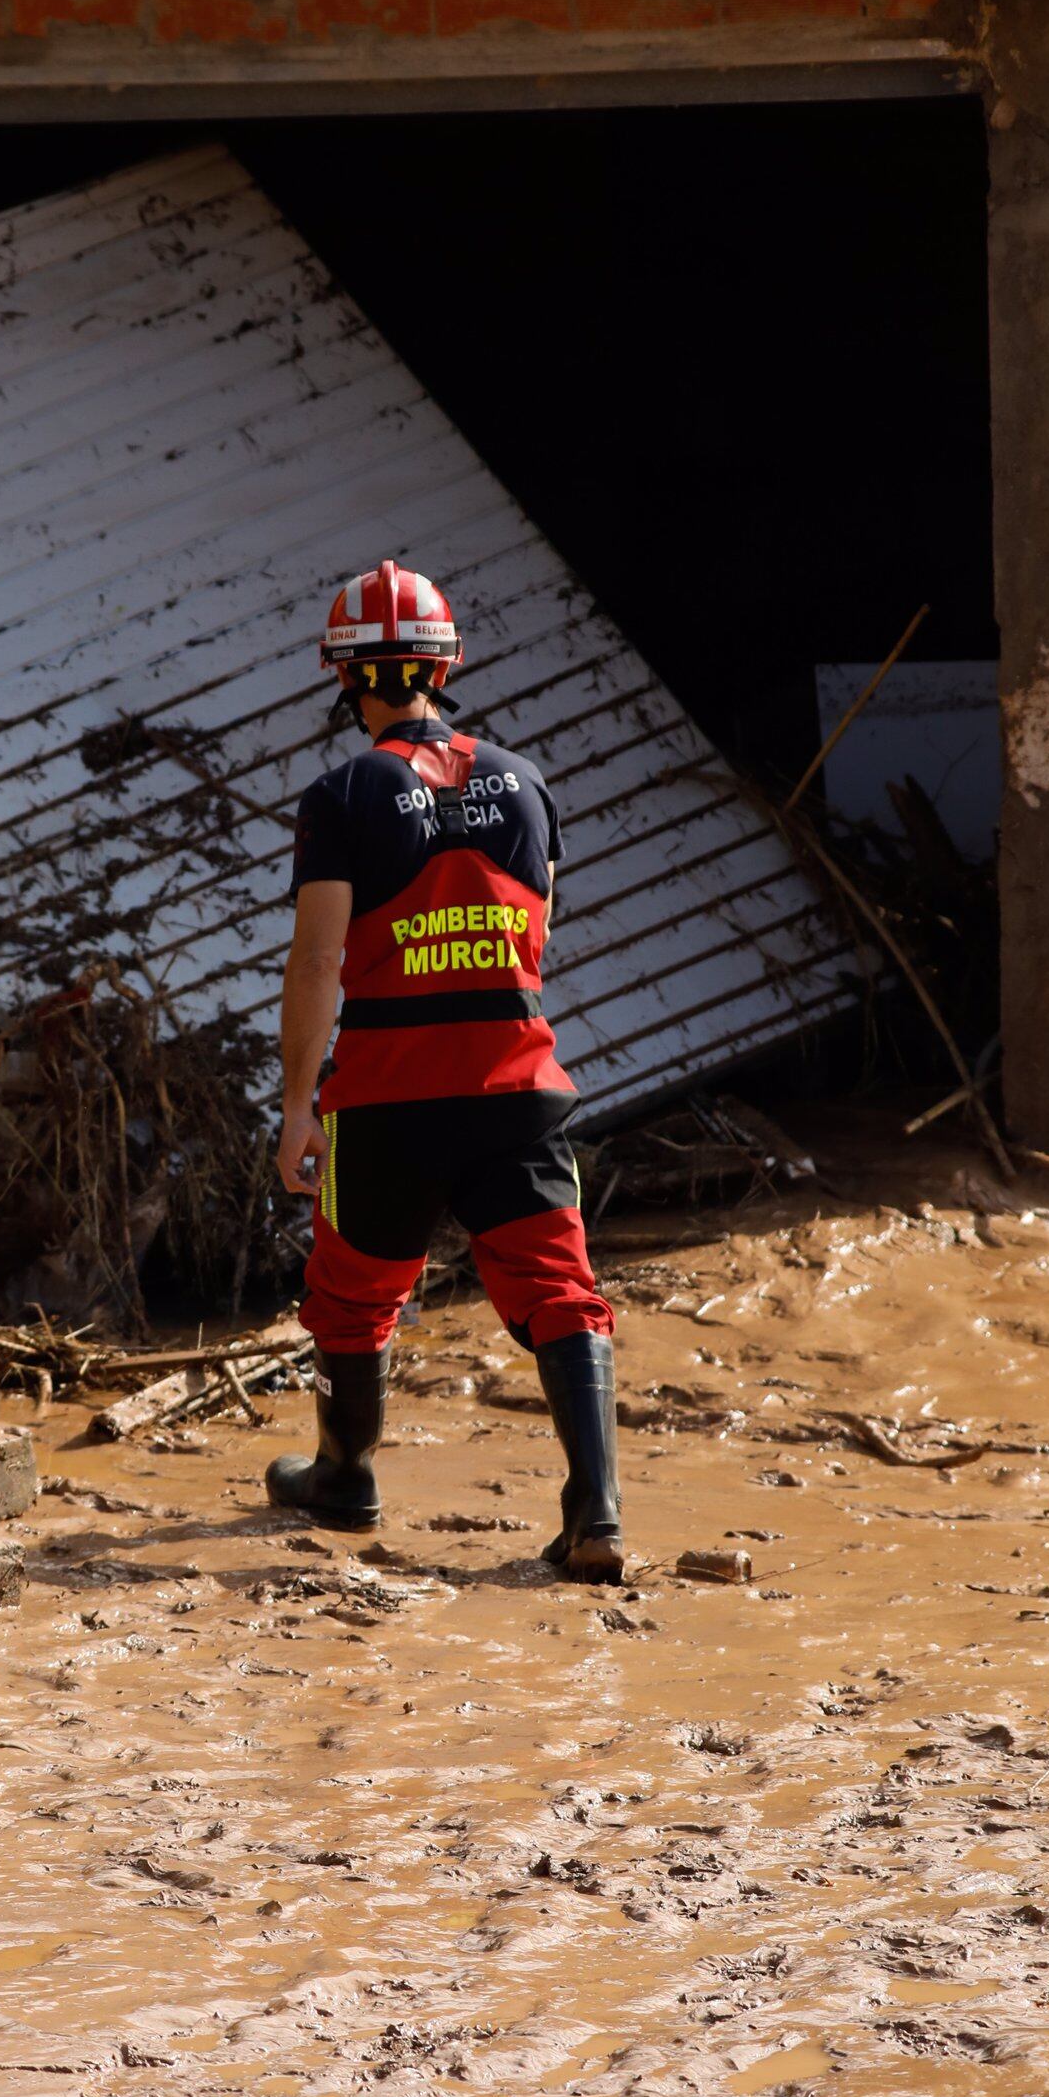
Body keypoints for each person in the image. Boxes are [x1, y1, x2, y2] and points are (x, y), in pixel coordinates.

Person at [266, 559, 624, 1584]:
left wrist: (299, 1107)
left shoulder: (342, 795)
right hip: (515, 1083)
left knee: (351, 1297)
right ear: (444, 665)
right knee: (562, 1289)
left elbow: (320, 960)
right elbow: (537, 929)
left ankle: (345, 1477)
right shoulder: (527, 780)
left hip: (384, 1093)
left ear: (348, 680)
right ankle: (594, 1508)